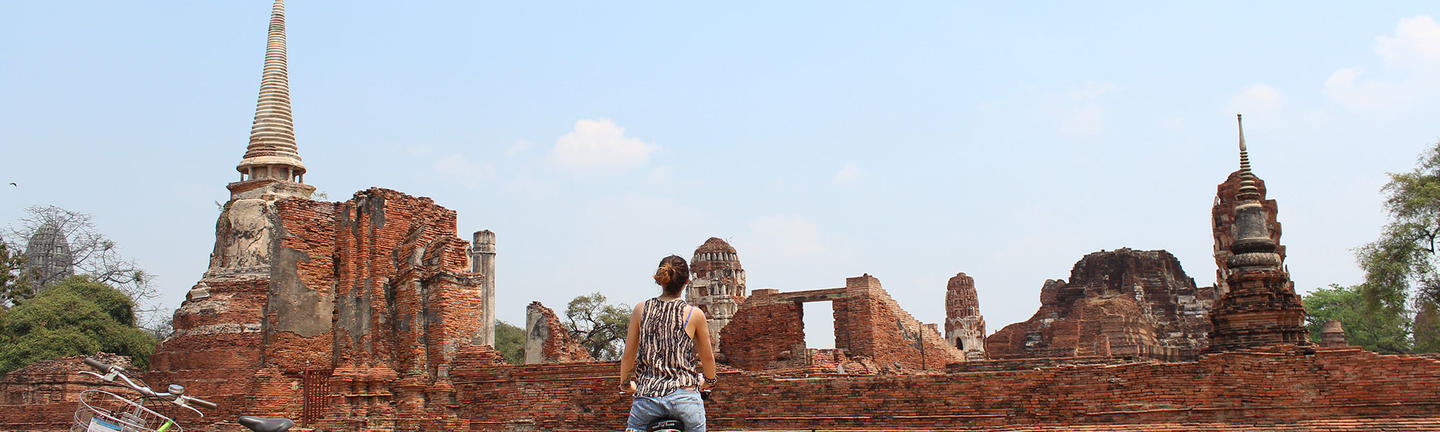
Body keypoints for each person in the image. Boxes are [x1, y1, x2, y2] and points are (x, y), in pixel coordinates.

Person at [618, 255, 718, 432]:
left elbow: (628, 356)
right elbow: (708, 359)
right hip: (685, 400)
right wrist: (709, 381)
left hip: (647, 399)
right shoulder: (694, 314)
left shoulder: (641, 309)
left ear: (660, 280)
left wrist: (626, 384)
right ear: (687, 281)